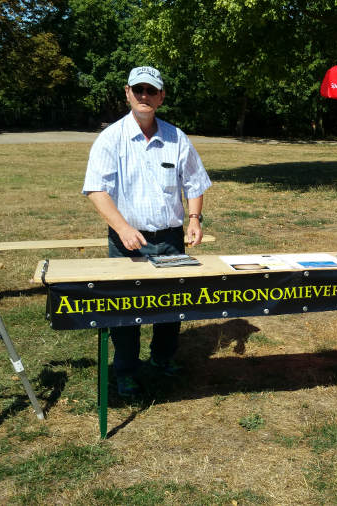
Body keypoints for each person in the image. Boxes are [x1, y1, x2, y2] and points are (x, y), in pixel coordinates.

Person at [82, 65, 212, 397]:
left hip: (170, 238)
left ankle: (162, 358)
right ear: (127, 93)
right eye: (138, 89)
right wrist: (122, 227)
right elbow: (96, 189)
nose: (144, 96)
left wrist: (194, 219)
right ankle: (126, 371)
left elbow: (194, 182)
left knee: (171, 305)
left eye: (151, 91)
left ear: (161, 97)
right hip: (127, 241)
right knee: (125, 310)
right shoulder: (111, 138)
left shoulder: (176, 137)